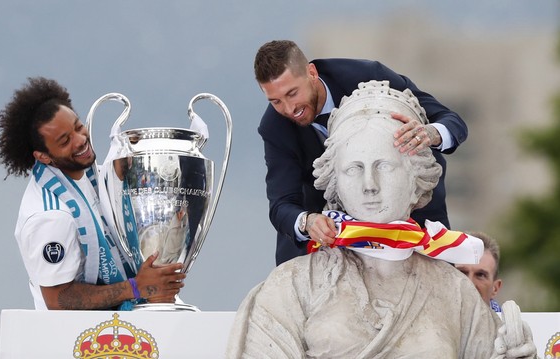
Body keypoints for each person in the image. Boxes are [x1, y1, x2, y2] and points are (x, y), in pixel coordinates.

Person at [226, 81, 535, 358]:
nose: (369, 184)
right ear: (335, 181)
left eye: (385, 166)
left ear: (416, 176)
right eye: (353, 169)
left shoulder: (457, 293)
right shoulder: (290, 287)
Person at [254, 40, 468, 265]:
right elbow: (281, 205)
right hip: (328, 230)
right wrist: (307, 222)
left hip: (410, 215)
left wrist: (431, 133)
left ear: (312, 72)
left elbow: (453, 122)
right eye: (275, 101)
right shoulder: (274, 126)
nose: (288, 109)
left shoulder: (369, 76)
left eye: (292, 93)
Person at [0, 77, 186, 310]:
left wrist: (118, 178)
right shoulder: (50, 216)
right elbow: (58, 300)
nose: (81, 140)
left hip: (123, 323)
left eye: (77, 126)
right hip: (79, 341)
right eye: (65, 141)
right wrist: (136, 288)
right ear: (43, 156)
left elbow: (102, 198)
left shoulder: (84, 174)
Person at [456, 231, 503, 312]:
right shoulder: (428, 318)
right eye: (462, 272)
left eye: (480, 275)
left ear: (495, 288)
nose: (469, 282)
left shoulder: (510, 324)